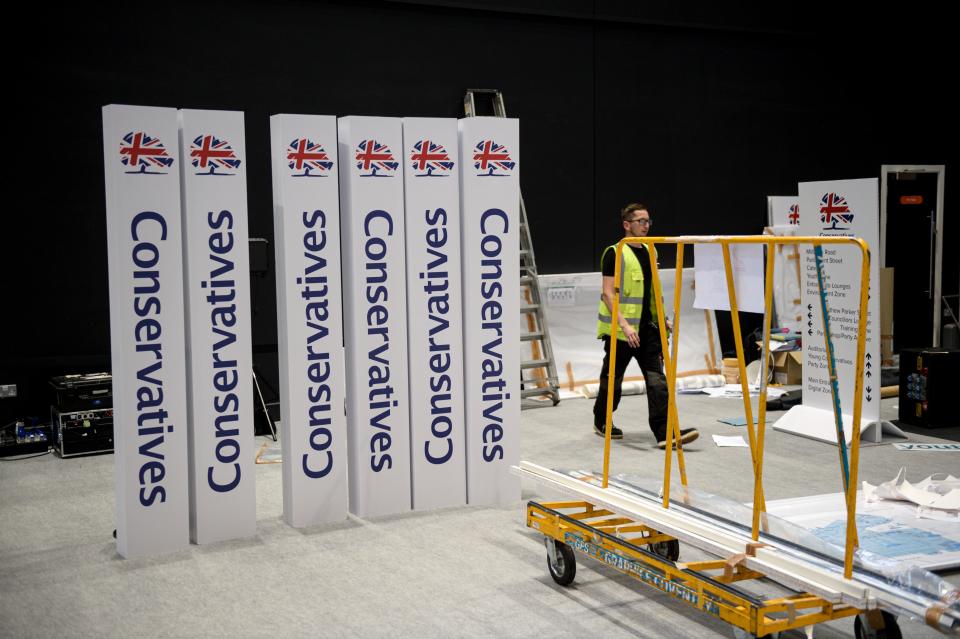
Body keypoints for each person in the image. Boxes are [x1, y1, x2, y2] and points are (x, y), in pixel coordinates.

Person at [593, 203, 699, 448]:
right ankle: (601, 419)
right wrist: (626, 326)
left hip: (648, 330)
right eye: (641, 221)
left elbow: (652, 293)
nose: (646, 225)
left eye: (648, 221)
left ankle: (665, 433)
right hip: (622, 333)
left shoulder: (651, 251)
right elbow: (608, 294)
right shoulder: (615, 252)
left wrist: (662, 320)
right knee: (613, 381)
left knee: (657, 381)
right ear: (627, 225)